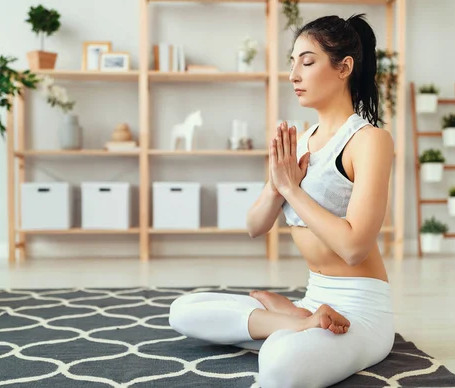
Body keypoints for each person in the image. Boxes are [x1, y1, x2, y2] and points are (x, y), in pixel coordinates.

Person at [168, 13, 395, 388]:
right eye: (292, 63)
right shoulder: (300, 141)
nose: (294, 75)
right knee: (183, 311)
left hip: (360, 313)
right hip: (314, 300)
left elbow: (355, 247)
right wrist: (277, 185)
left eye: (307, 62)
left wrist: (292, 189)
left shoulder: (369, 140)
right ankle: (297, 320)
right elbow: (255, 226)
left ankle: (290, 326)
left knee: (280, 362)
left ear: (345, 68)